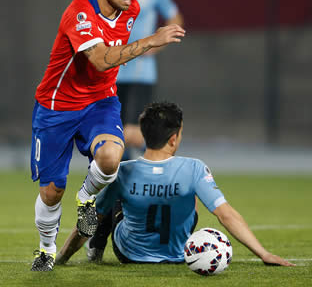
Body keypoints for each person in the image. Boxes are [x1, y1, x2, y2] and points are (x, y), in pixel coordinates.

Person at [30, 0, 185, 271]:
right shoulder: (80, 12)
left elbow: (107, 66)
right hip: (56, 107)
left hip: (100, 102)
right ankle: (45, 250)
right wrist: (150, 41)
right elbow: (100, 60)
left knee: (111, 157)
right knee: (52, 191)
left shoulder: (130, 9)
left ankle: (87, 198)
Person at [55, 102, 295, 267]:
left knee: (107, 199)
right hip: (178, 255)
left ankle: (96, 248)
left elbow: (89, 221)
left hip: (129, 254)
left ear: (144, 135)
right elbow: (226, 215)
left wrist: (62, 257)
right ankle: (172, 241)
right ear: (174, 137)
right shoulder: (194, 168)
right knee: (191, 197)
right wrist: (264, 253)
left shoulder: (123, 170)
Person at [115, 0, 184, 160]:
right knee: (115, 134)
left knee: (131, 132)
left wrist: (159, 42)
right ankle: (122, 182)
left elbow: (175, 17)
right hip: (111, 69)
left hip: (139, 71)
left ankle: (165, 146)